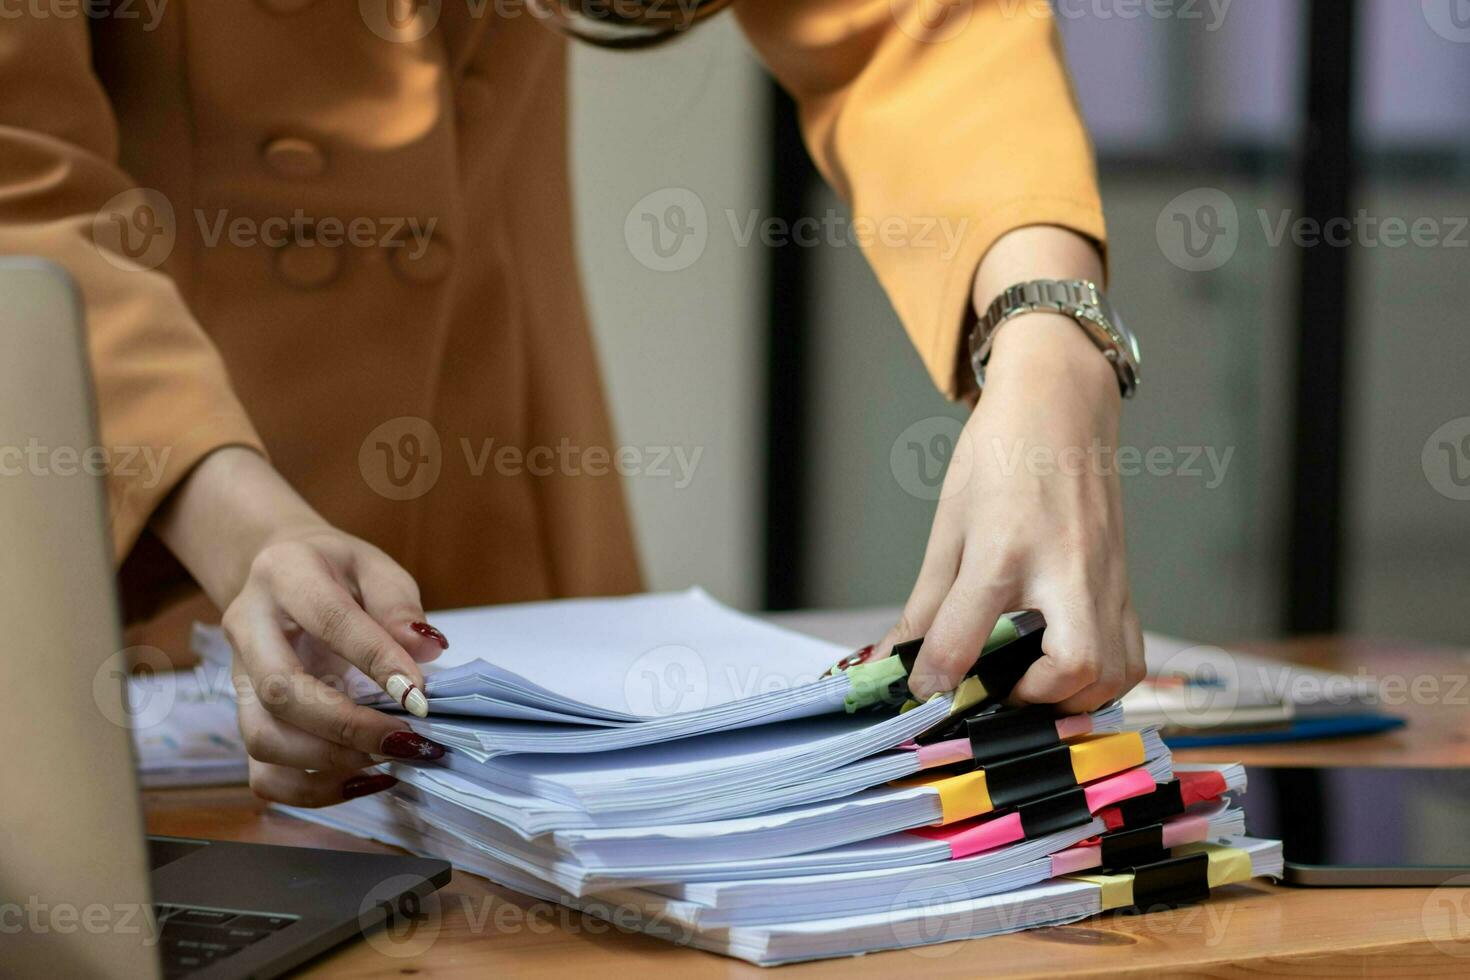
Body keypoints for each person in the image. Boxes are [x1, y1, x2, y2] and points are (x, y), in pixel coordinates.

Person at [0, 1, 1141, 806]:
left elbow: (918, 30)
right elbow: (17, 174)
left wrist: (1049, 345)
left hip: (509, 510)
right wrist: (235, 518)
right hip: (143, 542)